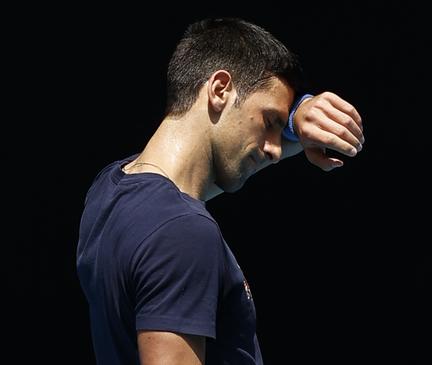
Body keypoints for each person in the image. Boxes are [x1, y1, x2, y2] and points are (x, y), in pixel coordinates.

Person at [76, 18, 364, 364]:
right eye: (269, 121)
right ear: (220, 89)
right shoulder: (182, 232)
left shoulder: (111, 186)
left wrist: (293, 118)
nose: (275, 150)